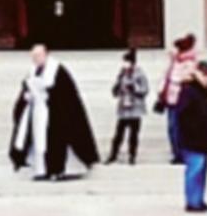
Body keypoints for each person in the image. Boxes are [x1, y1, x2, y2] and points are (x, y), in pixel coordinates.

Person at [10, 45, 100, 180]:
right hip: (37, 113)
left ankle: (58, 169)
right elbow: (25, 89)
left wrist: (49, 96)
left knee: (55, 142)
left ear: (46, 55)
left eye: (38, 56)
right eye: (33, 56)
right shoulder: (33, 71)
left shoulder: (58, 70)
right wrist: (27, 96)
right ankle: (41, 170)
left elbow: (67, 96)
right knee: (39, 143)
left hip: (55, 114)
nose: (35, 59)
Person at [178, 61, 207, 213]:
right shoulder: (189, 91)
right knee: (195, 170)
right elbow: (183, 116)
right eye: (205, 75)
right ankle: (193, 201)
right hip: (193, 138)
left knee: (201, 171)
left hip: (204, 138)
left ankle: (199, 199)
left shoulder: (206, 91)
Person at [159, 34, 198, 164]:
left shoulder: (188, 63)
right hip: (170, 98)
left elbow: (184, 79)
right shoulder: (174, 63)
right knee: (172, 127)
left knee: (178, 127)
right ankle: (176, 151)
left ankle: (181, 152)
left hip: (181, 98)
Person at [108, 49, 149, 165]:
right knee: (118, 133)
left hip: (135, 108)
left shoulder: (140, 74)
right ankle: (113, 154)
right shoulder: (122, 73)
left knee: (133, 134)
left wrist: (134, 88)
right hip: (124, 108)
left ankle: (132, 155)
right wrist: (116, 88)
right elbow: (116, 88)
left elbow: (145, 89)